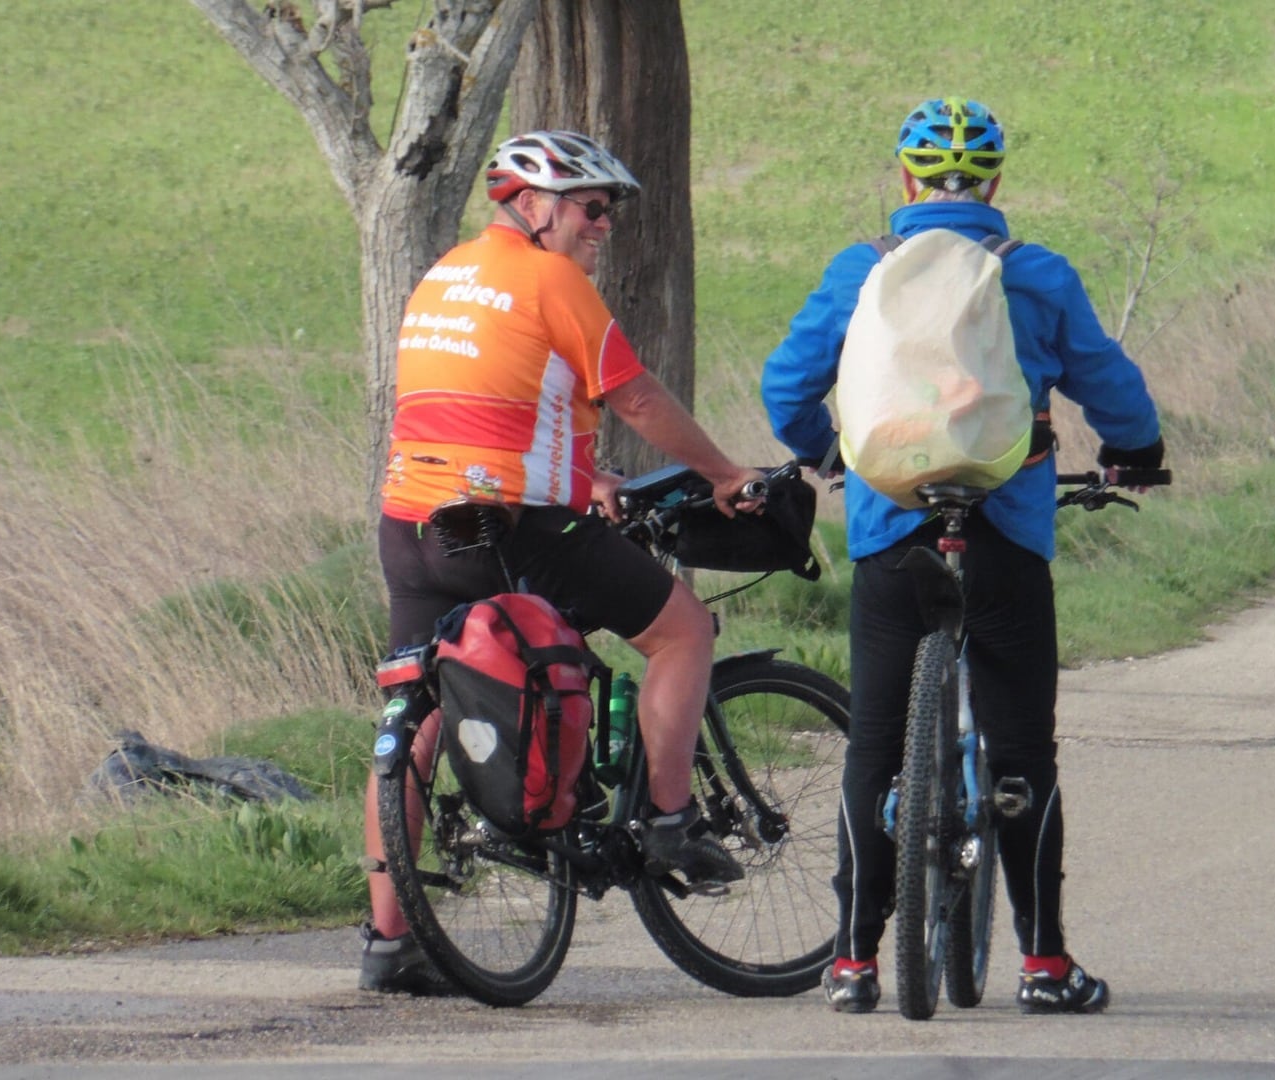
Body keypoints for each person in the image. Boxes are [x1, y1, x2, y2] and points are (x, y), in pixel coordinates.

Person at [760, 98, 1164, 1015]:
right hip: (1006, 536)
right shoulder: (1038, 275)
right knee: (1025, 751)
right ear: (993, 182)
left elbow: (787, 386)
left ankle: (855, 964)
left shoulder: (861, 271)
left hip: (891, 530)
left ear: (905, 181)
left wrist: (827, 454)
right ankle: (1046, 965)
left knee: (874, 745)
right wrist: (1134, 451)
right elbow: (1111, 384)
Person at [361, 130, 764, 995]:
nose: (602, 224)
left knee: (417, 710)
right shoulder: (551, 279)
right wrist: (726, 475)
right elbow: (638, 396)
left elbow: (493, 407)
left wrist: (587, 478)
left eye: (608, 210)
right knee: (682, 631)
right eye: (590, 207)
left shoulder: (445, 276)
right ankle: (667, 820)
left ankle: (389, 942)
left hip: (410, 522)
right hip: (512, 530)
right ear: (534, 208)